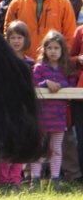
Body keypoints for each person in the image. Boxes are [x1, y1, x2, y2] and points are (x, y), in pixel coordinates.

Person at [31, 31, 73, 187]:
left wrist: (60, 86)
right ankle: (35, 179)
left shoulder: (65, 68)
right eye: (50, 48)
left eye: (56, 48)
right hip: (41, 117)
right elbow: (33, 85)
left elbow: (70, 84)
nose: (53, 51)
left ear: (62, 50)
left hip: (59, 116)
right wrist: (45, 83)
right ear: (44, 49)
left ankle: (55, 179)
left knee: (56, 149)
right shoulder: (39, 68)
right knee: (40, 149)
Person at [0, 21, 31, 187]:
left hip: (23, 110)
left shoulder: (30, 63)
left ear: (25, 40)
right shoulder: (2, 62)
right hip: (5, 109)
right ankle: (3, 180)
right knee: (6, 145)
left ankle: (15, 179)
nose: (16, 41)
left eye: (19, 37)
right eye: (12, 37)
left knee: (20, 145)